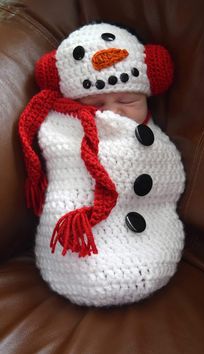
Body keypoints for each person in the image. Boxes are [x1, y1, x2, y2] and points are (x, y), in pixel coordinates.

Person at [18, 22, 185, 307]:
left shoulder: (150, 132)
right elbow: (64, 164)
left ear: (147, 95)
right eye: (95, 104)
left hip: (150, 229)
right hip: (83, 233)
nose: (112, 111)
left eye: (127, 99)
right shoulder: (63, 126)